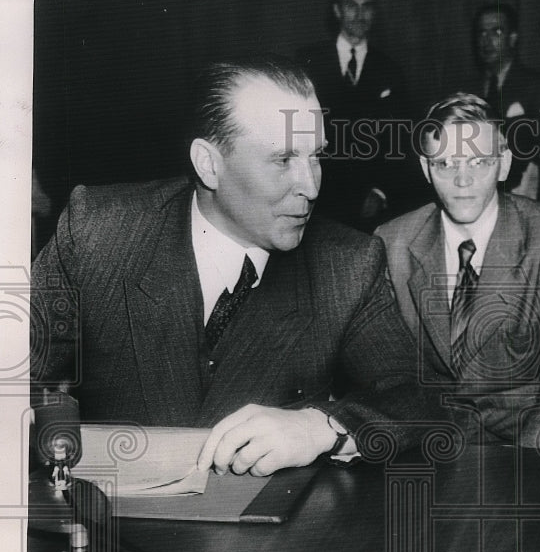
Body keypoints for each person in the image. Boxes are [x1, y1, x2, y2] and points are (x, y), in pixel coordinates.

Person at [31, 56, 434, 476]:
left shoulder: (345, 265)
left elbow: (416, 397)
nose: (311, 186)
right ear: (209, 164)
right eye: (283, 161)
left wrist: (321, 426)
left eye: (316, 157)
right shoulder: (101, 234)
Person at [375, 93, 540, 447]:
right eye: (447, 164)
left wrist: (528, 458)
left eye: (479, 162)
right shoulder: (392, 243)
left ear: (505, 164)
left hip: (524, 443)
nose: (462, 180)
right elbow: (383, 370)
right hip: (423, 445)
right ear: (425, 169)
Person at [298, 0, 411, 230]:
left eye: (367, 6)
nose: (359, 15)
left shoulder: (390, 70)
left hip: (368, 205)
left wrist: (381, 191)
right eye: (351, 5)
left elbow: (400, 139)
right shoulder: (308, 61)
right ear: (338, 10)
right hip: (316, 196)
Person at [466, 3, 540, 206]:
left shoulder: (535, 86)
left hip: (524, 200)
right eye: (482, 33)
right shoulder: (472, 90)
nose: (487, 41)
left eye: (497, 32)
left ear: (513, 38)